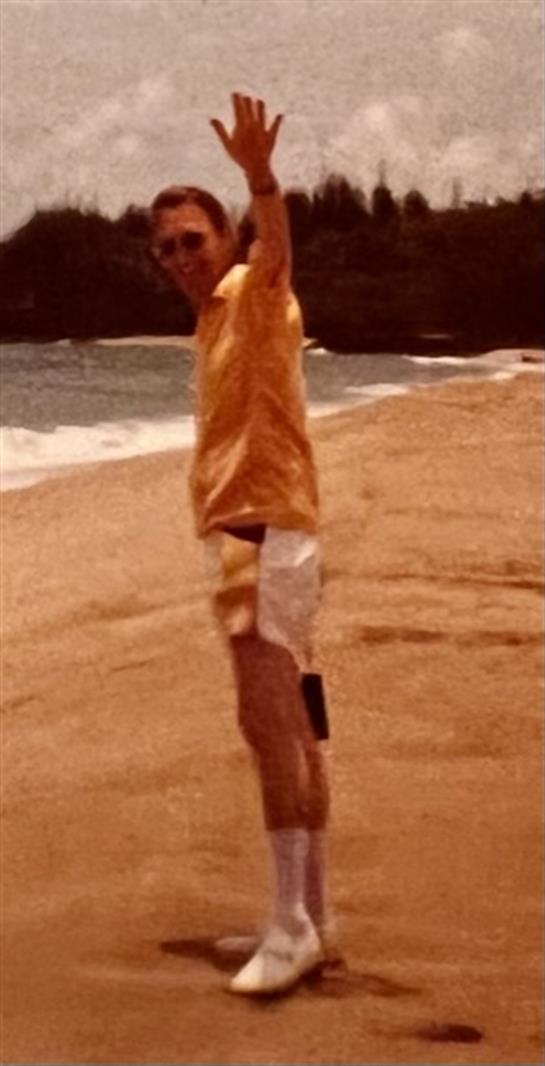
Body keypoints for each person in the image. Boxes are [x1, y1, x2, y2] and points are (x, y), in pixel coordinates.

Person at [150, 93, 331, 996]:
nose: (182, 256)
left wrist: (260, 179)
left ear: (223, 237)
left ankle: (290, 925)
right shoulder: (216, 320)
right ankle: (313, 912)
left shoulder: (252, 295)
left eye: (193, 237)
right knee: (295, 726)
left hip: (259, 537)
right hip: (269, 533)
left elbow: (277, 249)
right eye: (167, 247)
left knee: (266, 727)